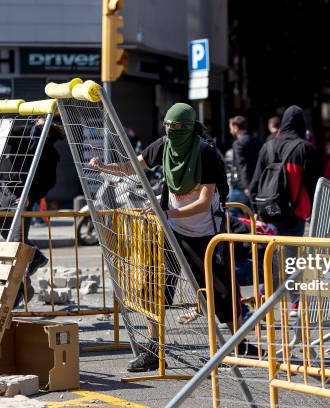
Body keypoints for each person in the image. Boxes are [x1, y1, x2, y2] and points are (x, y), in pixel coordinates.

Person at [90, 103, 254, 372]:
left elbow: (203, 202)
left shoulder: (206, 154)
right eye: (167, 125)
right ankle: (154, 351)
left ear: (189, 128)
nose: (171, 131)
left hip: (206, 235)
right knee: (153, 288)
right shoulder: (164, 146)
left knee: (221, 292)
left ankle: (240, 345)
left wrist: (165, 213)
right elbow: (135, 166)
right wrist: (106, 167)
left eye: (177, 127)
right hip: (171, 231)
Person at [250, 105, 320, 317]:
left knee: (271, 257)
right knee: (291, 258)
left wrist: (256, 209)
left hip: (267, 210)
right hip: (295, 211)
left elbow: (255, 182)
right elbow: (314, 184)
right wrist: (312, 211)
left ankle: (263, 298)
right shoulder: (305, 148)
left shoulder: (267, 146)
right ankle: (294, 304)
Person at [0, 117, 64, 307]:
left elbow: (48, 181)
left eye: (45, 124)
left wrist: (31, 196)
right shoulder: (21, 135)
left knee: (15, 244)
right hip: (4, 192)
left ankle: (15, 294)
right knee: (7, 235)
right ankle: (36, 259)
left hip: (22, 199)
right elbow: (9, 137)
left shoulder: (48, 151)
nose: (40, 126)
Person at [228, 116, 263, 216]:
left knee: (230, 212)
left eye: (231, 127)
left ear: (236, 127)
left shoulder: (238, 144)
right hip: (256, 183)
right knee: (251, 214)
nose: (230, 130)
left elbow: (241, 166)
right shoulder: (257, 141)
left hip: (242, 185)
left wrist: (246, 186)